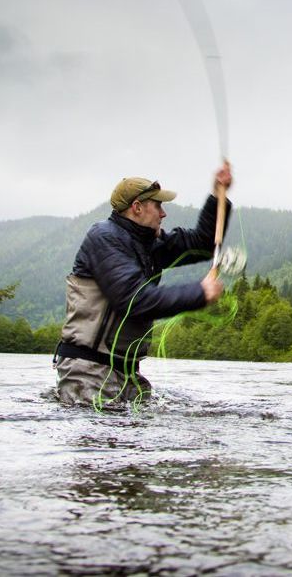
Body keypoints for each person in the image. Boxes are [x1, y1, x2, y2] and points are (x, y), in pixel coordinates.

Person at [54, 164, 232, 406]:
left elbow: (203, 243)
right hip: (88, 371)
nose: (163, 213)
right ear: (137, 207)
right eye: (158, 205)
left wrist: (217, 195)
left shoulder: (149, 244)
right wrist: (199, 293)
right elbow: (134, 300)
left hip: (125, 373)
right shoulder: (104, 239)